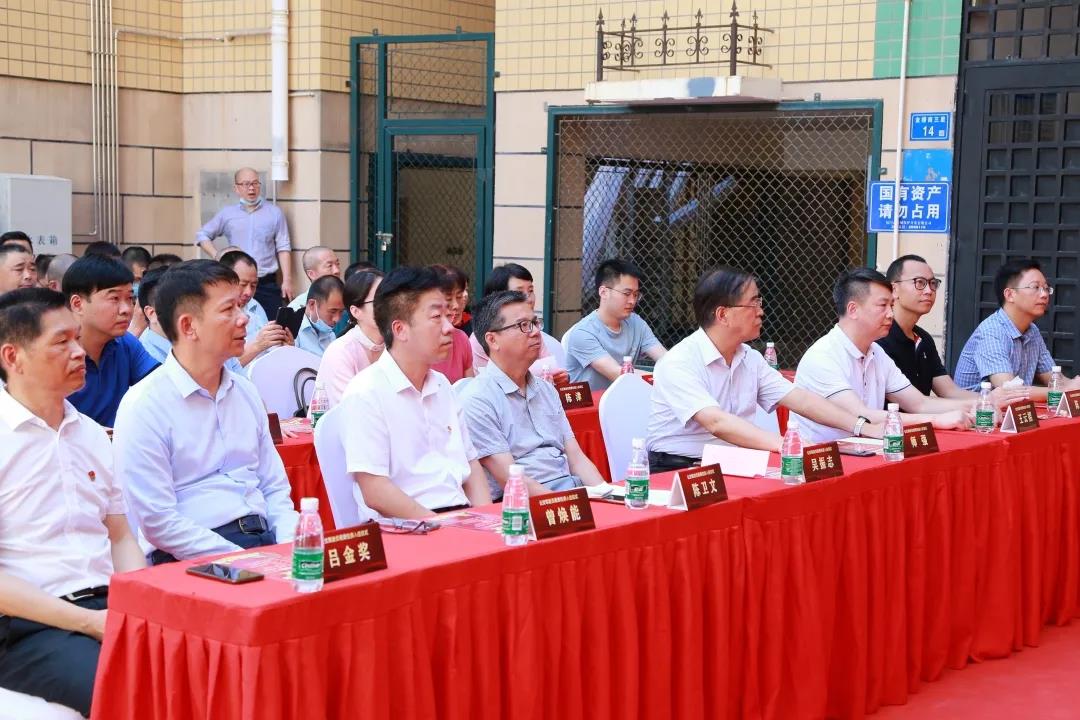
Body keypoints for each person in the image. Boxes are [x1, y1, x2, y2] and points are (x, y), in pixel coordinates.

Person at [0, 288, 145, 716]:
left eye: (77, 338)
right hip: (27, 626)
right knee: (132, 687)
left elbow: (120, 536)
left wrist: (140, 604)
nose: (79, 352)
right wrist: (91, 622)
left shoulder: (92, 434)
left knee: (205, 664)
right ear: (13, 356)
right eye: (61, 342)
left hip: (108, 607)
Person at [114, 260, 299, 563]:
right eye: (228, 310)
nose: (244, 319)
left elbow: (274, 487)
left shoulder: (245, 391)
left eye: (240, 307)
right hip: (189, 555)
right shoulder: (144, 405)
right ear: (188, 326)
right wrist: (244, 560)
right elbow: (158, 521)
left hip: (263, 540)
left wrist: (291, 546)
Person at [647, 267, 886, 471]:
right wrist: (784, 443)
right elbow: (716, 422)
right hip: (678, 468)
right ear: (723, 314)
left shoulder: (750, 358)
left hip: (732, 463)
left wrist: (862, 427)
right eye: (753, 303)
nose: (761, 311)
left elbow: (801, 400)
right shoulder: (679, 361)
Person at [339, 266, 491, 518]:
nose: (449, 327)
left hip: (459, 517)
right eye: (436, 317)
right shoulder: (365, 392)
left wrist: (487, 521)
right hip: (405, 526)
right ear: (400, 330)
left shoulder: (442, 385)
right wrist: (441, 526)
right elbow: (374, 490)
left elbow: (471, 466)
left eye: (447, 315)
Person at [792, 268, 972, 445]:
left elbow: (919, 403)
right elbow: (862, 415)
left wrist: (977, 406)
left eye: (891, 306)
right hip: (823, 457)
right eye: (882, 305)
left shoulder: (877, 352)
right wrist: (936, 420)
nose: (891, 314)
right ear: (853, 309)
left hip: (867, 451)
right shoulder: (823, 356)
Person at [461, 290, 608, 499]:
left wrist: (606, 495)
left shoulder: (546, 390)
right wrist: (566, 503)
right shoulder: (478, 400)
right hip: (522, 503)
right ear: (492, 340)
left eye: (535, 323)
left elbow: (577, 459)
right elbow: (510, 479)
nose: (535, 332)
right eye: (523, 325)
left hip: (570, 491)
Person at [878, 254, 1026, 407]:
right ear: (894, 289)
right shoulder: (880, 338)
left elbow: (950, 391)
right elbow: (917, 403)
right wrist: (987, 401)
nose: (929, 290)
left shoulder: (923, 339)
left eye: (933, 283)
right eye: (920, 282)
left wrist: (988, 398)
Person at [953, 258, 1080, 402]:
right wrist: (1063, 391)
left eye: (1046, 288)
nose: (1044, 294)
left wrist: (1073, 386)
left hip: (1011, 411)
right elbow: (1009, 390)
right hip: (977, 412)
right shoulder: (991, 332)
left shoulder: (1033, 331)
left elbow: (1055, 378)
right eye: (1035, 287)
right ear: (1010, 295)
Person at [63, 255, 159, 427]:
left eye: (130, 299)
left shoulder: (126, 344)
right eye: (114, 298)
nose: (126, 309)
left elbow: (160, 388)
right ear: (77, 304)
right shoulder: (56, 352)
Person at [195, 167, 293, 316]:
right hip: (236, 283)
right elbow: (202, 235)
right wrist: (218, 256)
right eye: (246, 184)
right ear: (236, 188)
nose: (251, 188)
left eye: (255, 183)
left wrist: (287, 280)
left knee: (272, 323)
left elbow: (283, 246)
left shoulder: (274, 213)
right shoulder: (227, 214)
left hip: (266, 282)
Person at [563, 258, 666, 391]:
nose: (632, 301)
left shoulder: (637, 323)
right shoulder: (583, 333)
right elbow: (619, 375)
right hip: (591, 403)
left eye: (636, 295)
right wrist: (662, 380)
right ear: (604, 292)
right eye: (627, 294)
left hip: (624, 398)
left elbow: (666, 359)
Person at [136, 266, 246, 374]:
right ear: (152, 313)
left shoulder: (215, 342)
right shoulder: (142, 358)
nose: (243, 318)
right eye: (227, 308)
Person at [469, 263, 560, 378]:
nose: (528, 299)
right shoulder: (479, 338)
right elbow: (493, 378)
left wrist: (558, 377)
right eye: (519, 293)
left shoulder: (533, 329)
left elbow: (550, 368)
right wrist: (542, 370)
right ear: (498, 297)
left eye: (531, 290)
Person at [315, 269, 385, 406]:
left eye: (390, 297)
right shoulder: (340, 351)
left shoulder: (399, 344)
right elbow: (350, 410)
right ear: (356, 311)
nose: (388, 305)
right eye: (378, 300)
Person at [219, 250, 293, 365]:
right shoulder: (214, 317)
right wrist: (257, 345)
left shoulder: (255, 307)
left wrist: (284, 347)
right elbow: (222, 367)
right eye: (243, 285)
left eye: (253, 285)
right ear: (223, 281)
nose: (249, 292)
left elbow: (268, 353)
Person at [430, 265, 475, 383]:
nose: (455, 305)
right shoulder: (413, 343)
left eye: (459, 297)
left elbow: (469, 387)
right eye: (449, 298)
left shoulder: (462, 339)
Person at [296, 275, 345, 357]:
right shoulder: (291, 332)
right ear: (312, 304)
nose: (337, 319)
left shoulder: (330, 334)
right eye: (332, 311)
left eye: (341, 311)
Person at [287, 246, 342, 310]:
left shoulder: (347, 298)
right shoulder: (297, 308)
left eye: (337, 264)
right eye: (330, 266)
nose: (337, 271)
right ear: (311, 274)